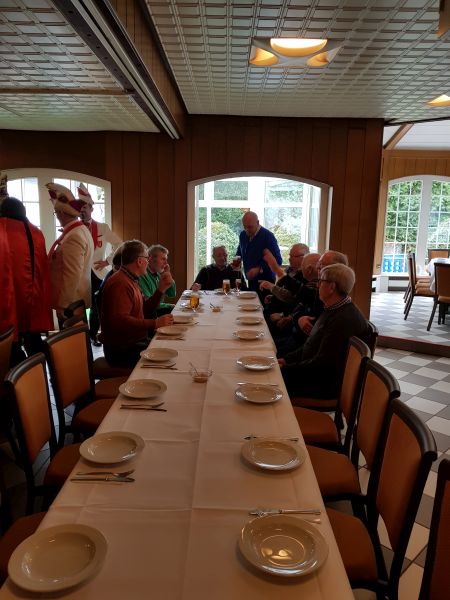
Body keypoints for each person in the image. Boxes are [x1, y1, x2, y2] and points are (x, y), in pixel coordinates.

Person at [278, 263, 369, 400]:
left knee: (267, 382)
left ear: (331, 287)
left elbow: (322, 365)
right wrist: (286, 360)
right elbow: (310, 345)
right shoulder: (332, 308)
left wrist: (285, 369)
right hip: (312, 374)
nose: (318, 285)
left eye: (321, 281)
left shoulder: (343, 320)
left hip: (321, 385)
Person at [100, 240, 173, 367]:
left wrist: (160, 290)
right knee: (168, 358)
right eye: (147, 259)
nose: (148, 262)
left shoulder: (131, 279)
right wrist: (155, 323)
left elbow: (145, 310)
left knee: (170, 346)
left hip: (133, 343)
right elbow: (121, 321)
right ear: (139, 261)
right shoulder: (120, 283)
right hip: (121, 350)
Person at [0, 197, 53, 363]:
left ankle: (18, 372)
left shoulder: (2, 228)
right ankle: (38, 371)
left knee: (11, 343)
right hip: (33, 298)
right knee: (33, 340)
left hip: (8, 297)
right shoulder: (36, 232)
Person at [78, 183, 122, 346]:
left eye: (85, 207)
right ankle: (79, 338)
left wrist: (107, 261)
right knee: (80, 306)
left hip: (97, 272)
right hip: (79, 273)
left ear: (91, 209)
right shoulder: (75, 229)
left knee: (97, 306)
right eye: (79, 208)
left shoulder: (102, 227)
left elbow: (119, 243)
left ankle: (93, 335)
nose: (82, 210)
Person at [46, 183, 94, 327]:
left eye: (56, 213)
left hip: (71, 303)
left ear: (61, 213)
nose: (56, 216)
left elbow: (71, 274)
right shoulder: (79, 230)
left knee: (72, 339)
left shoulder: (74, 236)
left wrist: (63, 304)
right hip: (75, 300)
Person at [235, 211, 282, 292]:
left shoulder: (268, 236)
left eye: (250, 227)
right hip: (250, 281)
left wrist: (259, 269)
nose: (247, 230)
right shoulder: (243, 235)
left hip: (265, 282)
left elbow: (278, 261)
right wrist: (236, 259)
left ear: (257, 222)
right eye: (244, 227)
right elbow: (240, 251)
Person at [260, 243, 309, 316]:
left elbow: (292, 298)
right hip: (274, 309)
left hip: (286, 314)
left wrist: (271, 287)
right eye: (290, 255)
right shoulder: (288, 269)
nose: (289, 258)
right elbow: (281, 289)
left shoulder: (306, 275)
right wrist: (273, 297)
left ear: (303, 257)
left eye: (293, 256)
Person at [139, 244, 176, 315]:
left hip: (156, 309)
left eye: (166, 259)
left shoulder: (159, 274)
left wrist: (168, 273)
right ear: (150, 259)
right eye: (163, 259)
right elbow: (148, 304)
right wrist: (168, 306)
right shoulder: (143, 275)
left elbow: (172, 294)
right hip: (149, 313)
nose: (166, 263)